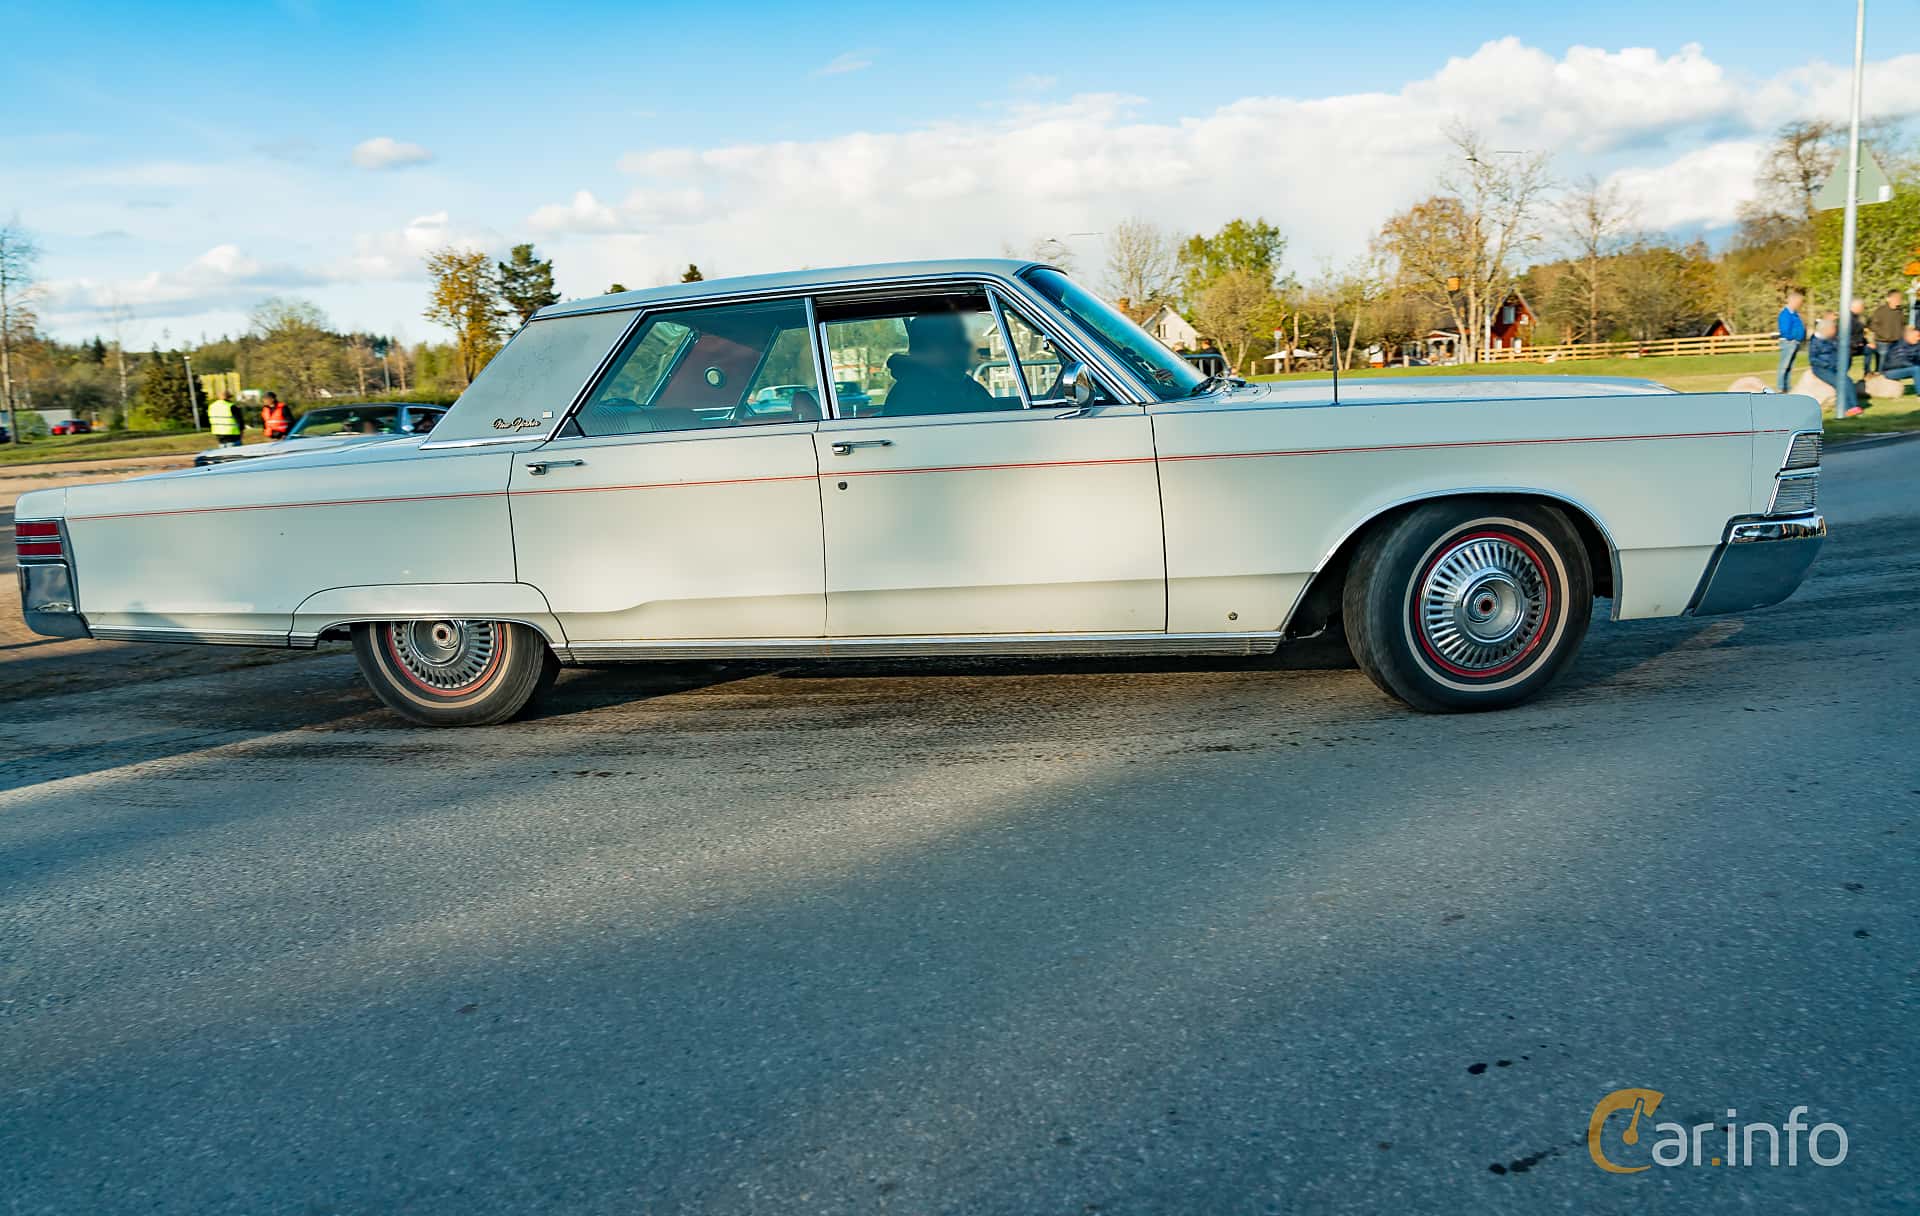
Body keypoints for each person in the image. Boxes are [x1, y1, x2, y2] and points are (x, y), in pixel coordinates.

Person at [880, 313, 999, 417]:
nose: (966, 345)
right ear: (931, 350)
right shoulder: (911, 395)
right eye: (955, 340)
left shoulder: (967, 385)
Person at [1808, 313, 1864, 417]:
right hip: (1821, 368)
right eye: (1833, 329)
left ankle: (1854, 406)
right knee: (1840, 383)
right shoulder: (1815, 341)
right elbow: (1813, 359)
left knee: (1848, 381)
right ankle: (1846, 408)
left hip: (1835, 367)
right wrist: (1827, 365)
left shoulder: (1832, 339)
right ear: (1826, 330)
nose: (1835, 331)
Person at [1869, 290, 1907, 374]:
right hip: (1883, 343)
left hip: (1896, 342)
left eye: (1900, 298)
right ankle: (1879, 382)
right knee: (1882, 366)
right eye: (1896, 298)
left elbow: (1903, 325)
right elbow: (1873, 325)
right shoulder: (1880, 311)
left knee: (1894, 365)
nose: (1898, 300)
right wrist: (1884, 335)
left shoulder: (1899, 311)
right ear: (1888, 299)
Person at [1776, 289, 1806, 392]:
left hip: (1795, 343)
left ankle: (1787, 387)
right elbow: (1784, 330)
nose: (1800, 304)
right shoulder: (1785, 314)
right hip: (1788, 343)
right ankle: (1780, 387)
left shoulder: (1795, 314)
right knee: (1784, 366)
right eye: (1799, 302)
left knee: (1789, 366)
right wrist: (1792, 338)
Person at [1880, 325, 1920, 393]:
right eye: (1917, 336)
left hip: (1906, 368)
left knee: (1916, 368)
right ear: (1909, 336)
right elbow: (1900, 362)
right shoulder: (1898, 346)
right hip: (1890, 372)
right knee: (1916, 369)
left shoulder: (1915, 345)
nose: (1918, 338)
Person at [1849, 297, 1873, 373]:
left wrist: (1867, 343)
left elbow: (1860, 334)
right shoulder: (1848, 319)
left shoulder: (1858, 318)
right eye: (1862, 307)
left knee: (1870, 349)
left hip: (1858, 345)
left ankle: (1868, 372)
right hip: (1850, 346)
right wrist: (1855, 344)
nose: (1863, 309)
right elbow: (1846, 335)